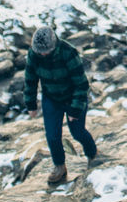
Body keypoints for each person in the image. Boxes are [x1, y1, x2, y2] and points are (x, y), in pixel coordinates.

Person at [24, 26, 97, 185]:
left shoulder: (68, 52)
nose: (42, 54)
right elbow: (30, 79)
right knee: (52, 136)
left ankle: (92, 155)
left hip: (73, 97)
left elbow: (82, 84)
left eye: (46, 51)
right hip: (51, 99)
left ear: (53, 46)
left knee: (77, 132)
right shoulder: (33, 54)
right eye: (39, 52)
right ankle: (59, 166)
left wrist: (75, 108)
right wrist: (31, 103)